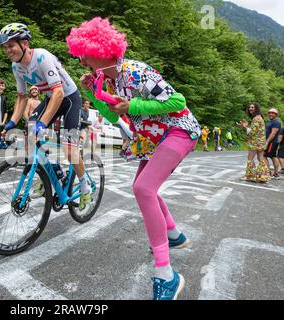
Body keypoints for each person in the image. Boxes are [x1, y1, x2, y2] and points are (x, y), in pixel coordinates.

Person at [67, 17, 201, 300]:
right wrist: (95, 92)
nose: (81, 63)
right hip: (153, 137)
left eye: (84, 56)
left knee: (143, 189)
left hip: (179, 130)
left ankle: (166, 275)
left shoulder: (135, 71)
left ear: (102, 52)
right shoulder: (109, 80)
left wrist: (135, 104)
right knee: (145, 187)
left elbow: (178, 102)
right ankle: (174, 236)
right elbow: (112, 116)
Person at [0, 23, 91, 210]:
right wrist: (12, 122)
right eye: (5, 47)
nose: (7, 51)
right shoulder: (17, 67)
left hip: (69, 98)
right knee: (29, 133)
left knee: (69, 148)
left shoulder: (41, 57)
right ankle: (53, 173)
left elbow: (59, 93)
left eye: (11, 46)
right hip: (51, 99)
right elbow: (22, 97)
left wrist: (42, 123)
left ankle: (85, 188)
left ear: (24, 43)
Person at [237, 103, 270, 183]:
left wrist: (245, 127)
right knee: (260, 158)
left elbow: (252, 132)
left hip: (255, 142)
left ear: (256, 109)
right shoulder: (260, 117)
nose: (250, 109)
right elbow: (257, 130)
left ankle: (250, 176)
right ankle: (264, 176)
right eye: (249, 107)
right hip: (261, 141)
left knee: (250, 158)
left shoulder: (256, 118)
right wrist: (247, 126)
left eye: (252, 107)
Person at [264, 108, 281, 179]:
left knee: (263, 155)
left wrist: (267, 142)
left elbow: (273, 133)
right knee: (273, 156)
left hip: (271, 142)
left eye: (273, 113)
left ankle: (269, 173)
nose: (270, 114)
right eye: (270, 113)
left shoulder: (276, 122)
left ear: (276, 115)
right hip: (271, 142)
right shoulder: (270, 122)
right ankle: (275, 173)